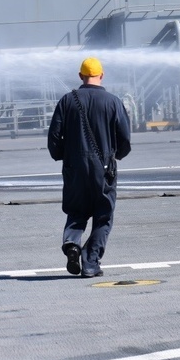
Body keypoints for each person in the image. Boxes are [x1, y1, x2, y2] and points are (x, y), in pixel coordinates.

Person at [48, 57, 132, 278]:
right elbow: (125, 139)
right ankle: (90, 262)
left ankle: (72, 243)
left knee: (77, 211)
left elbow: (54, 138)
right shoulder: (113, 102)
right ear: (101, 75)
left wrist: (63, 156)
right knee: (103, 215)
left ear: (80, 76)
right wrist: (117, 157)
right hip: (103, 169)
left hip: (74, 168)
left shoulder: (67, 101)